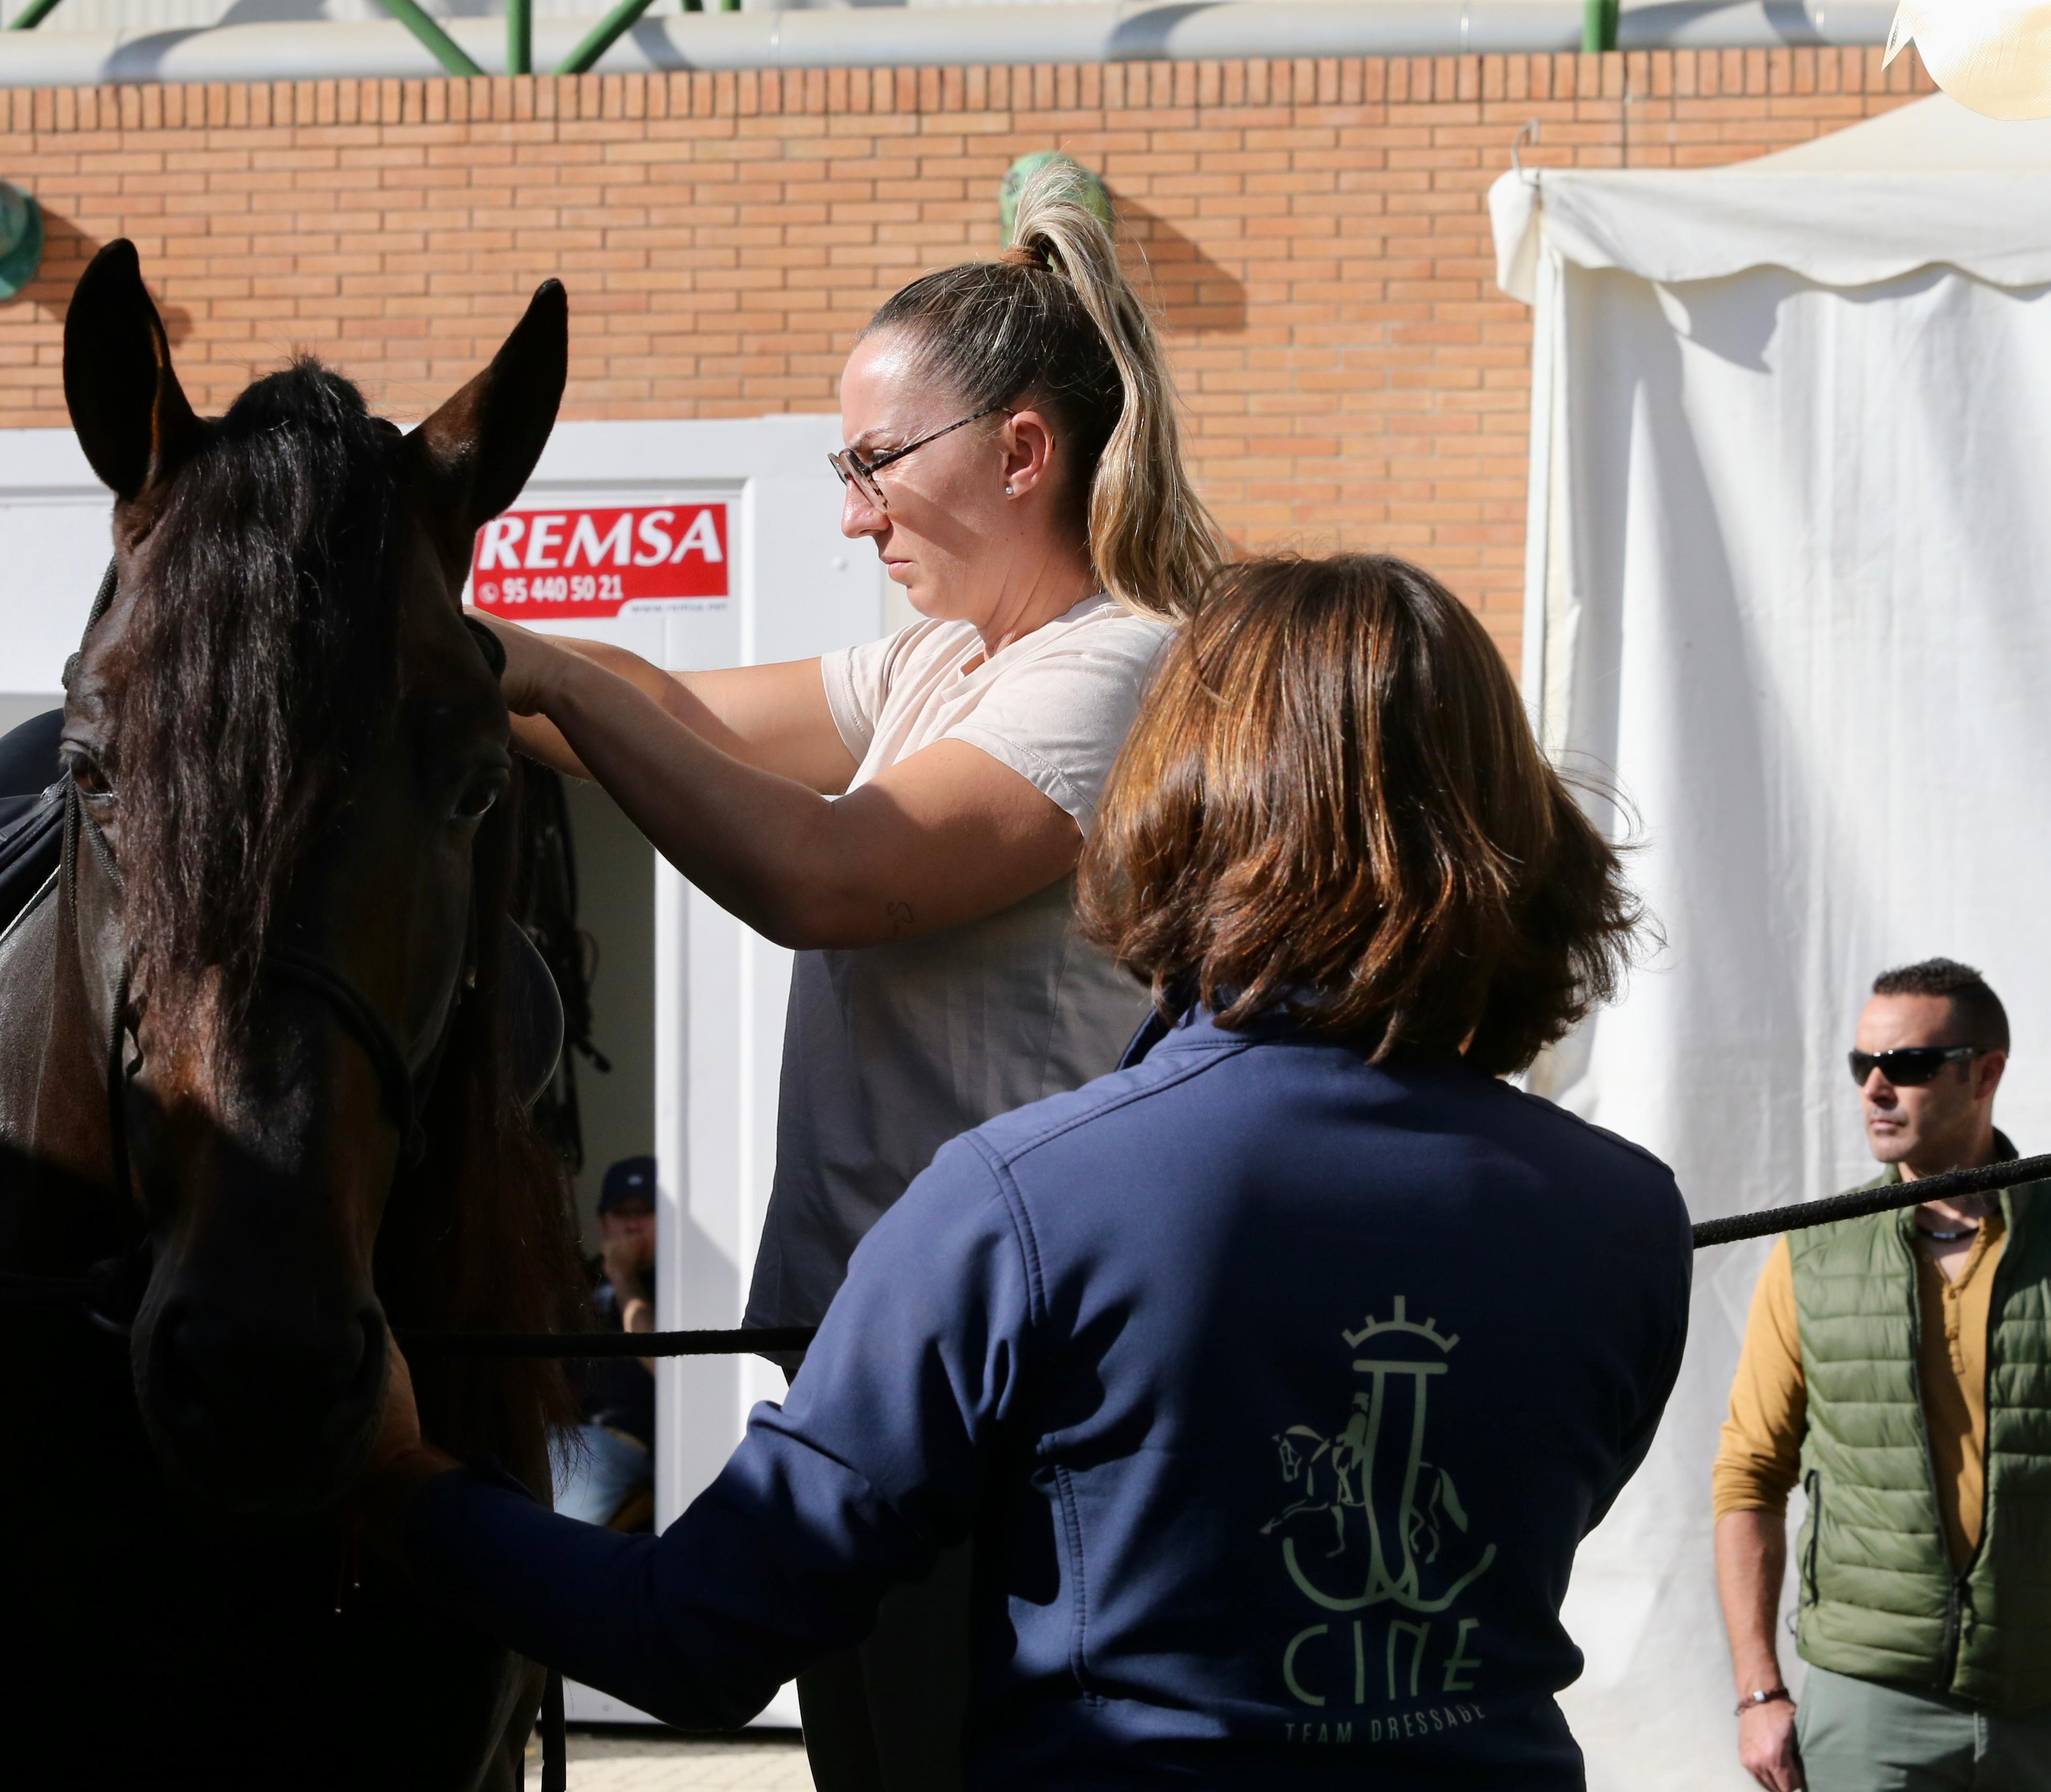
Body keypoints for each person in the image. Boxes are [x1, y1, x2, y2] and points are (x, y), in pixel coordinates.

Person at [362, 553, 1692, 1788]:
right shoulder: (1625, 1213)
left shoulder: (1025, 1203)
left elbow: (694, 1631)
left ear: (1178, 795)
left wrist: (404, 1476)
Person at [474, 160, 1221, 1787]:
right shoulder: (946, 657)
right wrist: (457, 645)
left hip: (1013, 1398)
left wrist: (526, 671)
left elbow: (825, 878)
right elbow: (658, 709)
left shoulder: (1115, 669)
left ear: (1023, 452)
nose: (852, 510)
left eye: (877, 462)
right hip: (890, 1372)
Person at [1713, 959, 2051, 1792]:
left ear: (1987, 1073)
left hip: (2045, 1700)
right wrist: (1759, 1691)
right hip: (1868, 1704)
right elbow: (1749, 1475)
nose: (1875, 1088)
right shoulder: (1815, 1250)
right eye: (1862, 1065)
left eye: (1906, 1065)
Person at [552, 1156, 660, 1531]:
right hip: (565, 1434)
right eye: (621, 1212)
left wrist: (624, 1277)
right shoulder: (578, 1281)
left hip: (630, 1445)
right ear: (602, 1223)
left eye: (645, 1212)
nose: (631, 1224)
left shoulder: (680, 1278)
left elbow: (669, 1366)